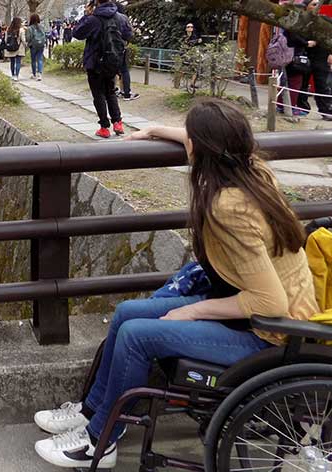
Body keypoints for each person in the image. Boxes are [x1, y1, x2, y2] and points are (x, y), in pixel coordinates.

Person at [33, 99, 320, 469]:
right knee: (126, 313)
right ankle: (93, 412)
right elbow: (203, 138)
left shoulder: (228, 206)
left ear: (199, 149)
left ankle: (99, 442)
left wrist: (192, 310)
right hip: (259, 313)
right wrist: (154, 130)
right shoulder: (250, 168)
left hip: (270, 333)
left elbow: (270, 303)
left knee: (138, 334)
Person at [73, 0, 133, 138]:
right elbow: (129, 35)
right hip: (113, 62)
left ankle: (104, 127)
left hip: (95, 62)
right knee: (110, 91)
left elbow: (77, 33)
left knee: (98, 94)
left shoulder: (93, 19)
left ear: (96, 2)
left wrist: (86, 14)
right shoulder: (121, 18)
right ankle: (118, 122)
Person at [305, 0, 332, 121]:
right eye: (313, 4)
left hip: (322, 56)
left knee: (322, 84)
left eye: (318, 4)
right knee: (302, 83)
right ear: (307, 7)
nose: (317, 7)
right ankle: (300, 108)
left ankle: (326, 110)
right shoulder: (302, 21)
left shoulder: (326, 20)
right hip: (304, 54)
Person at [26, 14, 47, 81]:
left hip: (33, 45)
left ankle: (34, 74)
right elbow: (45, 35)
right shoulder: (42, 27)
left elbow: (28, 38)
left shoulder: (30, 28)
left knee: (33, 60)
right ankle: (40, 74)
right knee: (40, 59)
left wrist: (29, 43)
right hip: (41, 45)